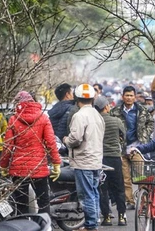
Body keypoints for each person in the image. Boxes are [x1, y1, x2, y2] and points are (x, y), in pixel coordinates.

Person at [0, 91, 61, 215]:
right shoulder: (43, 117)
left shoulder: (13, 119)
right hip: (39, 168)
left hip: (19, 169)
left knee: (21, 204)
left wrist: (4, 165)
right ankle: (45, 227)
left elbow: (8, 146)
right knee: (43, 202)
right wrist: (56, 163)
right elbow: (50, 143)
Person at [64, 84, 105, 231]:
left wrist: (65, 140)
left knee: (86, 195)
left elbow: (75, 139)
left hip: (83, 161)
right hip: (95, 160)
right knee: (93, 193)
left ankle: (90, 226)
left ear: (76, 98)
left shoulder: (79, 115)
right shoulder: (97, 115)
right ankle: (94, 223)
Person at [110, 85, 154, 210]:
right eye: (127, 95)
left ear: (135, 97)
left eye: (131, 96)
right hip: (121, 148)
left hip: (137, 148)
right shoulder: (115, 111)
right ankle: (130, 201)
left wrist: (144, 135)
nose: (129, 98)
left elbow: (150, 123)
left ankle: (143, 201)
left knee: (141, 176)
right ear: (123, 96)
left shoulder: (142, 110)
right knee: (125, 177)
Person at [93, 96, 127, 226]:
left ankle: (106, 217)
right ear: (106, 107)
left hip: (100, 159)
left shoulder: (95, 122)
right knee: (119, 188)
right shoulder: (116, 121)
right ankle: (122, 217)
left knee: (103, 188)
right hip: (114, 159)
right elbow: (124, 136)